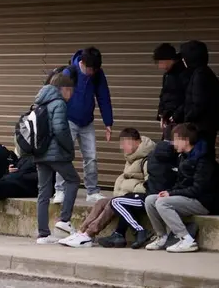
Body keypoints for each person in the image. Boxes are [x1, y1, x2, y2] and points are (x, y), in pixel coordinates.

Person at [59, 128, 156, 248]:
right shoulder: (131, 158)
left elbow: (150, 184)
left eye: (125, 143)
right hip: (125, 197)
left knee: (112, 203)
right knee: (101, 202)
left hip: (137, 198)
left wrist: (131, 189)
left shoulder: (147, 160)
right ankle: (81, 232)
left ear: (136, 142)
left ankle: (89, 234)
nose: (122, 147)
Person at [144, 123, 217, 253]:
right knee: (150, 200)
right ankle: (162, 237)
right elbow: (180, 183)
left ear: (186, 140)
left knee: (163, 203)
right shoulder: (183, 156)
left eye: (176, 140)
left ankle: (187, 240)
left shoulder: (204, 160)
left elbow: (198, 189)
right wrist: (169, 192)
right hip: (187, 197)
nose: (173, 143)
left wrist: (172, 194)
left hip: (202, 201)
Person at [53, 47, 113, 204]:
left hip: (87, 121)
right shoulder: (70, 72)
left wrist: (108, 122)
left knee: (91, 156)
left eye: (95, 69)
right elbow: (58, 97)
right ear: (82, 63)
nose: (92, 72)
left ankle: (92, 191)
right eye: (90, 69)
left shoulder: (98, 74)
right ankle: (60, 190)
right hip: (69, 120)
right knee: (63, 154)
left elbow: (103, 96)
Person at [100, 139, 181, 249]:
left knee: (116, 202)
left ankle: (139, 231)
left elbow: (148, 182)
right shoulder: (176, 161)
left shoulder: (150, 160)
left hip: (150, 198)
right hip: (159, 196)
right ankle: (118, 234)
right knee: (123, 201)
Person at [34, 73, 82, 244]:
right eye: (71, 91)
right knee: (73, 180)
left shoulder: (39, 102)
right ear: (65, 89)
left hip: (39, 153)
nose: (71, 95)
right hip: (55, 153)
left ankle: (43, 234)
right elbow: (60, 129)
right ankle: (64, 220)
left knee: (43, 192)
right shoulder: (59, 103)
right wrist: (69, 147)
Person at [180, 40, 219, 156]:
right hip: (205, 126)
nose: (183, 60)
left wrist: (187, 120)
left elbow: (199, 103)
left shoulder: (200, 75)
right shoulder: (203, 72)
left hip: (201, 128)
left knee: (201, 158)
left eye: (184, 57)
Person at [153, 43, 188, 141]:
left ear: (169, 59)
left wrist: (175, 116)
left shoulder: (183, 73)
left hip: (180, 121)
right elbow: (163, 95)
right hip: (168, 120)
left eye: (160, 62)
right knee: (167, 148)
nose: (160, 66)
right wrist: (161, 115)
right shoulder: (167, 75)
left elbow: (188, 98)